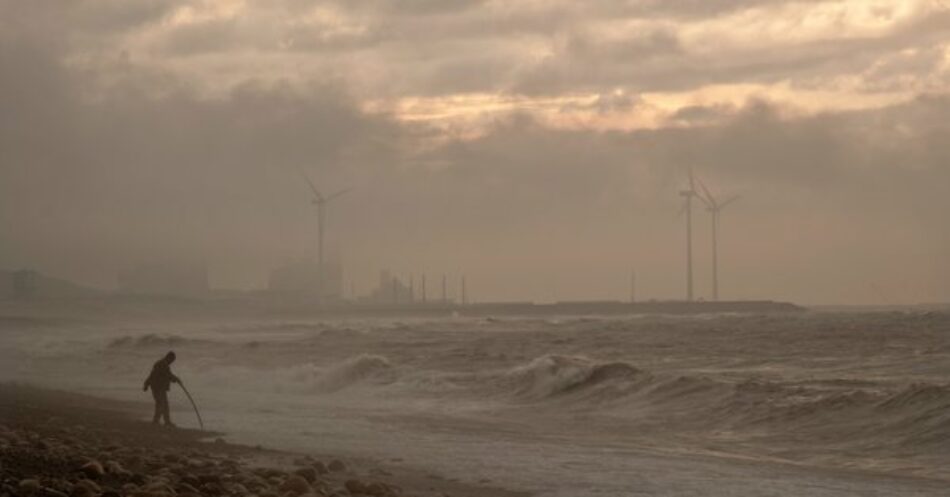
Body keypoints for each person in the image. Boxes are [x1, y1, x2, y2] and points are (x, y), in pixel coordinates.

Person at [143, 351, 180, 426]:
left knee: (164, 404)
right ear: (169, 358)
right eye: (172, 360)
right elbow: (168, 375)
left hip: (159, 387)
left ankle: (166, 421)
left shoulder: (162, 364)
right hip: (157, 387)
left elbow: (152, 375)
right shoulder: (163, 364)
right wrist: (176, 379)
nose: (171, 362)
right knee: (161, 404)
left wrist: (146, 384)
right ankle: (156, 421)